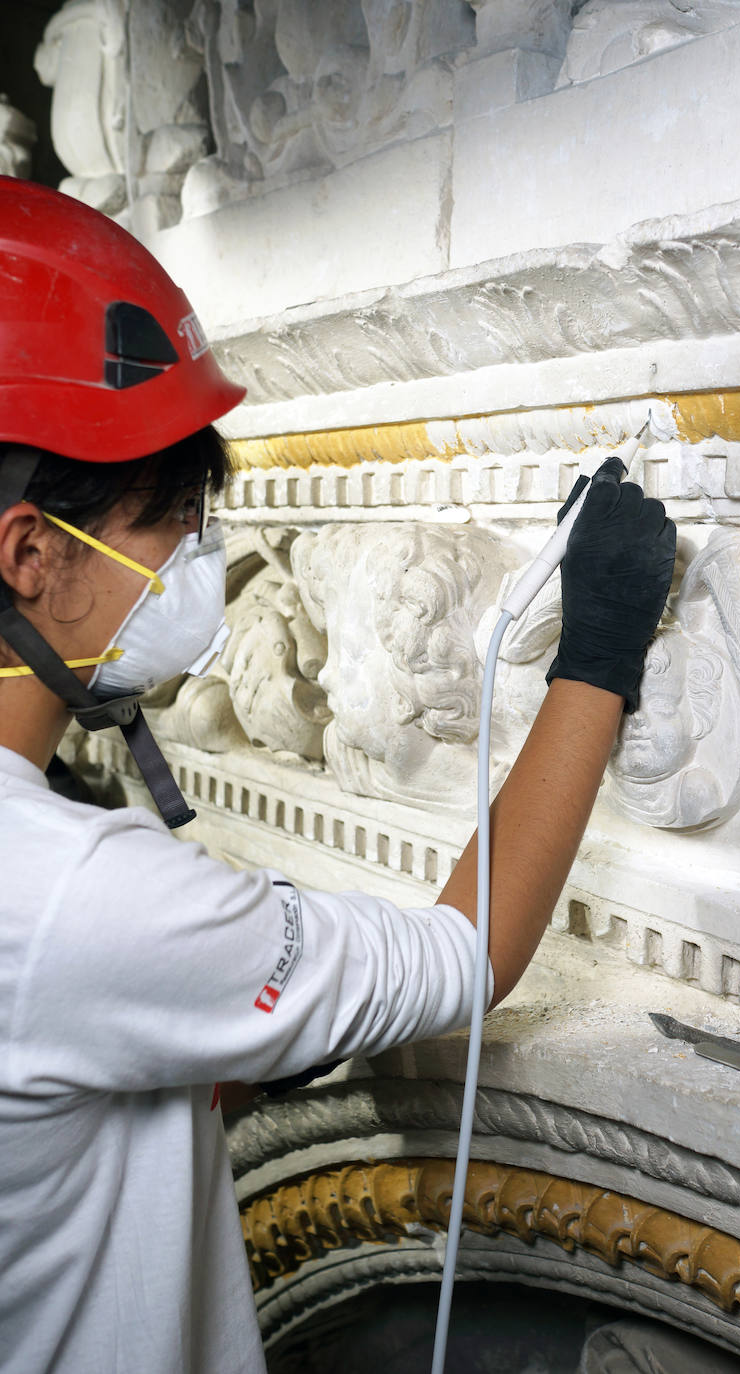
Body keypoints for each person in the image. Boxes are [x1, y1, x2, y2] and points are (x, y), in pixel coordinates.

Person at [0, 178, 677, 1374]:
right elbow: (467, 952)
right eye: (169, 521)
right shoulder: (71, 895)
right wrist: (602, 651)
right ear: (31, 551)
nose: (200, 560)